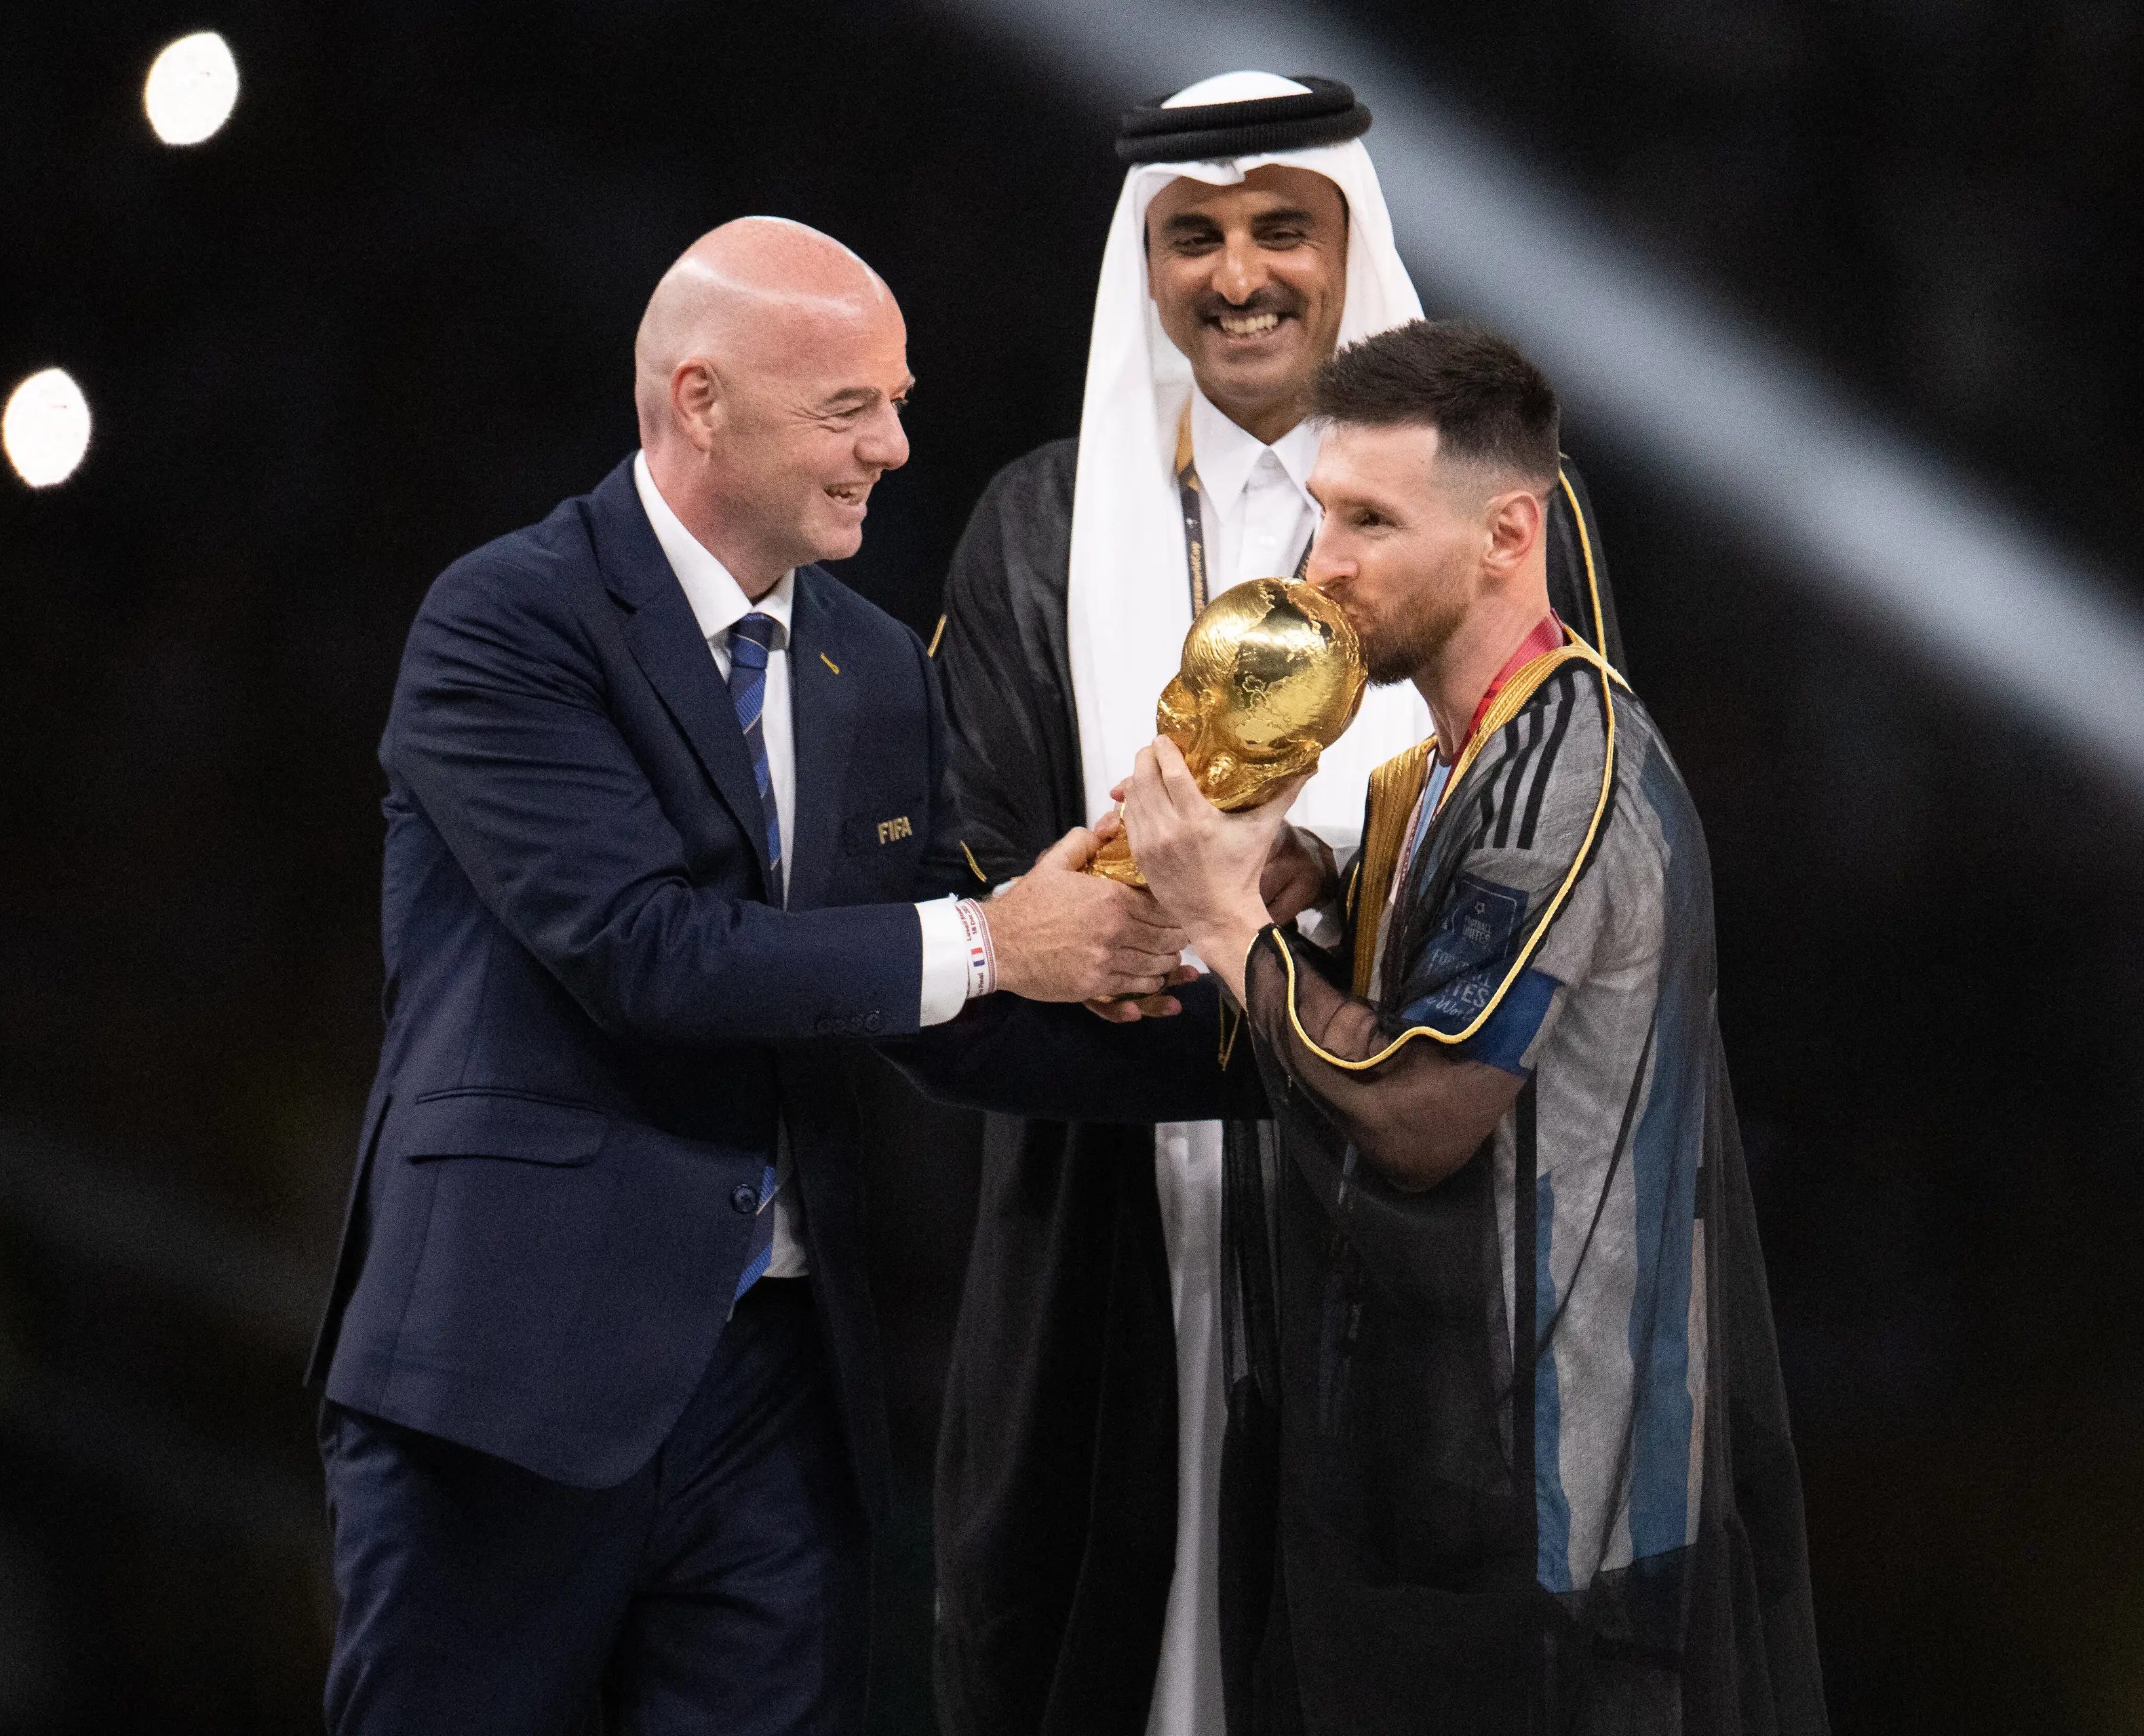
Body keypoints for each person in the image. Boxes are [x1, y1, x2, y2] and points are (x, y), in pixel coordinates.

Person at [303, 216, 1220, 1736]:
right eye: (849, 408)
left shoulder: (875, 663)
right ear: (702, 401)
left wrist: (1284, 1044)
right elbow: (648, 953)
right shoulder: (507, 619)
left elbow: (927, 1003)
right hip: (512, 1372)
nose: (895, 448)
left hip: (782, 1393)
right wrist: (999, 936)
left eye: (899, 402)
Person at [929, 71, 1624, 1736]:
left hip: (1403, 1206)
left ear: (1349, 240)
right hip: (1106, 1209)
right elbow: (980, 890)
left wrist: (1279, 906)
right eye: (1196, 237)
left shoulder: (1491, 524)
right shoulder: (1035, 528)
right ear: (1146, 264)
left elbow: (1548, 850)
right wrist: (1096, 931)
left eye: (1280, 229)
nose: (1239, 275)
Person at [1117, 319, 1827, 1731]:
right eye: (1326, 512)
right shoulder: (1446, 770)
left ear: (1509, 533)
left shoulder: (1571, 769)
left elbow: (1422, 1112)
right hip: (1443, 1509)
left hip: (1560, 1547)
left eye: (1372, 522)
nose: (1323, 563)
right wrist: (1320, 900)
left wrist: (1225, 920)